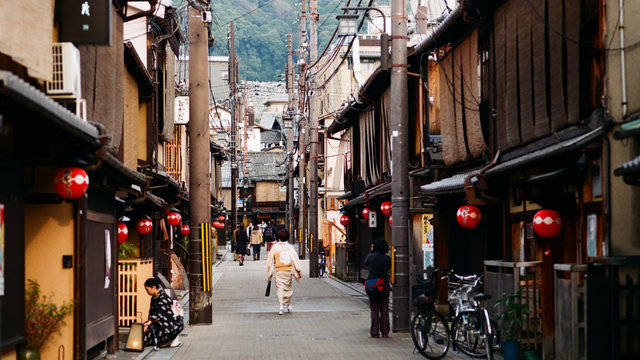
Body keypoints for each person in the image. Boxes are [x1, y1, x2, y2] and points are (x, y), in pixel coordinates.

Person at [265, 229, 302, 315]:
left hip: (278, 270)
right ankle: (288, 305)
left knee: (280, 288)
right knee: (288, 287)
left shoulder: (275, 247)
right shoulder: (289, 247)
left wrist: (269, 269)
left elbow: (270, 259)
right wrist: (298, 270)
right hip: (288, 270)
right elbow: (295, 259)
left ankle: (281, 306)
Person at [142, 278, 184, 350]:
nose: (147, 292)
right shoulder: (154, 298)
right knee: (146, 336)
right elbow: (152, 312)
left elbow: (159, 312)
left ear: (154, 287)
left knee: (159, 335)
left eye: (147, 289)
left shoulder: (163, 297)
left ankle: (172, 338)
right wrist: (147, 323)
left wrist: (149, 322)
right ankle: (166, 340)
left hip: (172, 323)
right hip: (159, 322)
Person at [363, 238, 391, 338]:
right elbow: (388, 267)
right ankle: (385, 332)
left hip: (373, 285)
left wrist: (371, 251)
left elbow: (365, 263)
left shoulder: (371, 256)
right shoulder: (387, 258)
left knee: (374, 308)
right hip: (384, 284)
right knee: (384, 308)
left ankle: (374, 332)